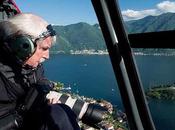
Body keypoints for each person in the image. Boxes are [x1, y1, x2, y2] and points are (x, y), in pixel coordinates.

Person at [0, 13, 81, 130]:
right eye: (44, 48)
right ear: (23, 45)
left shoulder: (32, 69)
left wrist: (42, 104)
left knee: (61, 112)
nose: (47, 56)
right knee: (59, 115)